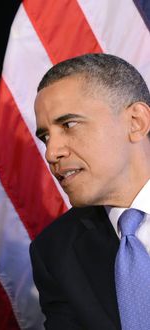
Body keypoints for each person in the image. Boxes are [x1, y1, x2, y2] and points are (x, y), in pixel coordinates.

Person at [29, 53, 150, 330]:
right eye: (45, 136)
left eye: (68, 125)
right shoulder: (55, 251)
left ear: (136, 122)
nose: (51, 152)